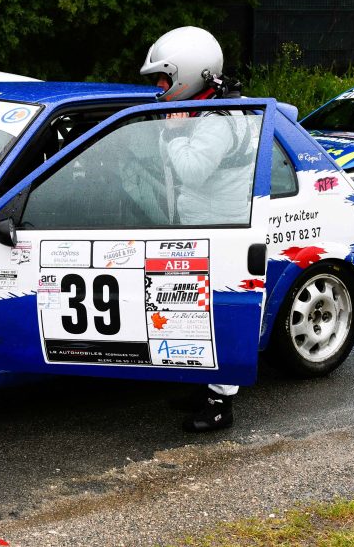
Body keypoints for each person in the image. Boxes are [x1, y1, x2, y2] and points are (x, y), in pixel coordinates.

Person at [140, 26, 244, 433]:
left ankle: (221, 404)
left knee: (219, 313)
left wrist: (172, 134)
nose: (162, 88)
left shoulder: (215, 120)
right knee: (194, 311)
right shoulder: (204, 110)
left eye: (165, 80)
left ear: (187, 74)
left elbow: (192, 171)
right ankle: (205, 388)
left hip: (222, 230)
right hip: (202, 224)